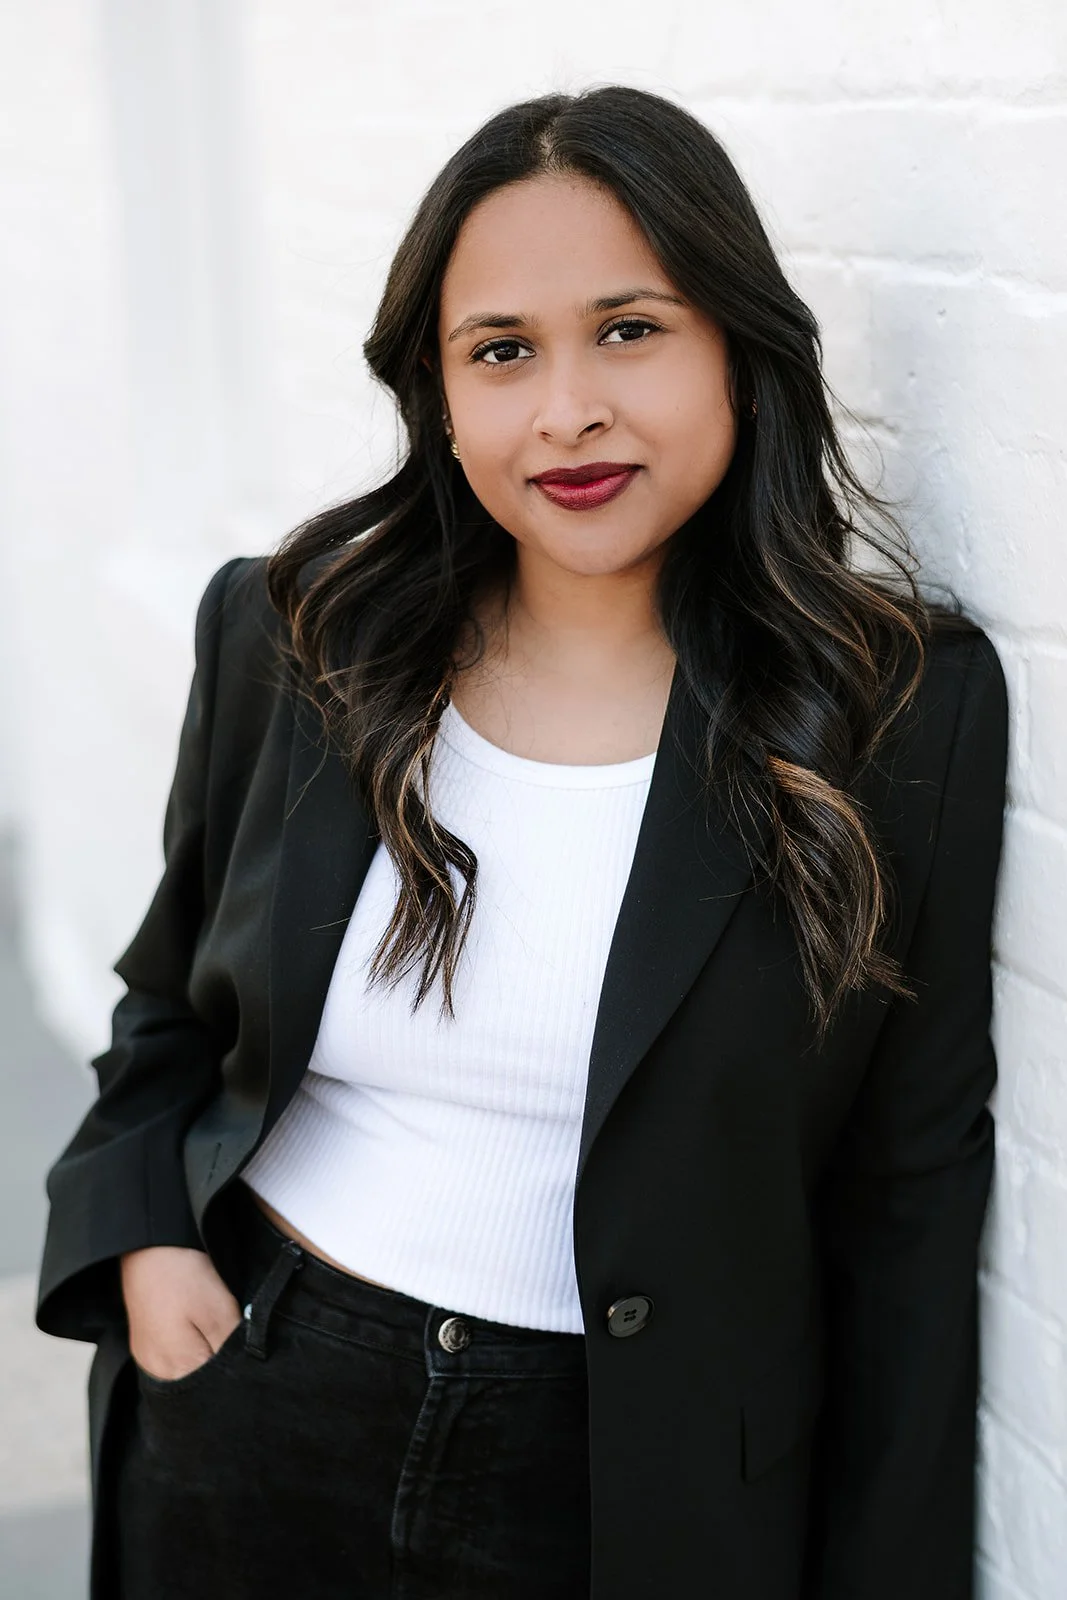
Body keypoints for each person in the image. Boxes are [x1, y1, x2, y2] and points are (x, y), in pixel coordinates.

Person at [36, 85, 1009, 1600]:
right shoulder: (298, 635)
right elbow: (169, 1005)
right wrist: (144, 1244)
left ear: (740, 354)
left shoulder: (893, 711)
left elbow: (906, 1199)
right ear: (436, 396)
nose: (565, 409)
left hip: (629, 1481)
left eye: (629, 329)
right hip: (256, 1399)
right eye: (501, 352)